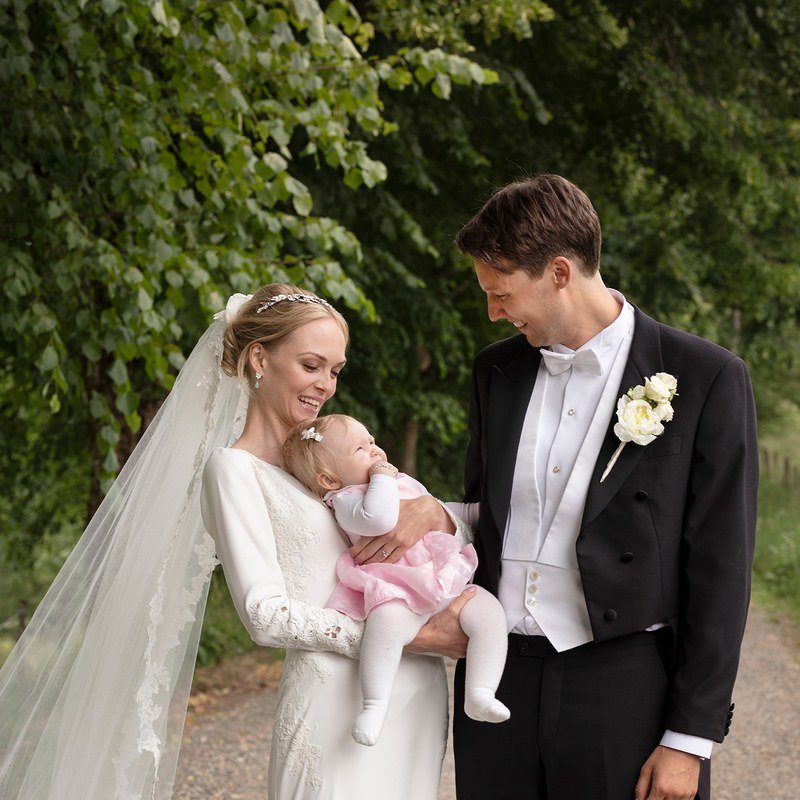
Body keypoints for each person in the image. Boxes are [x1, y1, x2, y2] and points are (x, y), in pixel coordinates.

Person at [0, 283, 471, 800]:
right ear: (258, 359)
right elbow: (265, 614)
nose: (326, 385)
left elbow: (425, 540)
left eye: (335, 370)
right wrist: (411, 636)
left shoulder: (333, 464)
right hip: (334, 707)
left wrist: (437, 516)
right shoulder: (232, 470)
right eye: (312, 365)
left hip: (416, 703)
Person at [448, 175, 758, 800]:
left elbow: (722, 571)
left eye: (502, 293)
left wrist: (689, 738)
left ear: (559, 271)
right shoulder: (496, 371)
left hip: (625, 688)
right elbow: (487, 517)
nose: (494, 313)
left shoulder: (705, 377)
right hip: (496, 682)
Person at [282, 413, 509, 747]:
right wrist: (384, 479)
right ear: (329, 480)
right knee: (384, 625)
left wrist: (475, 512)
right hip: (398, 590)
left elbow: (437, 508)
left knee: (490, 613)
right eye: (361, 448)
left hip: (441, 579)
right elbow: (380, 518)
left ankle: (480, 692)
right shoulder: (346, 499)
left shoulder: (395, 482)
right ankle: (374, 704)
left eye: (372, 441)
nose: (375, 451)